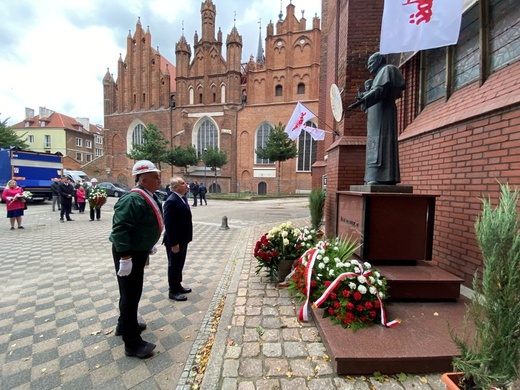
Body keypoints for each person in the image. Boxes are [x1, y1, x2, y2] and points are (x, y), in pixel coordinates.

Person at [109, 160, 163, 358]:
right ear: (144, 179)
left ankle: (124, 325)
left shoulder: (148, 195)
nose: (159, 180)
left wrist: (149, 241)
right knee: (130, 294)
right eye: (156, 178)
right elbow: (121, 229)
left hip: (137, 251)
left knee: (131, 292)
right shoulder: (133, 199)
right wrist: (125, 257)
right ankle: (132, 344)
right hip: (128, 253)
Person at [349, 52, 405, 185]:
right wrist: (363, 99)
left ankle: (383, 177)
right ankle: (373, 176)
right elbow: (374, 94)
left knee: (382, 143)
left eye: (370, 63)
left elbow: (380, 90)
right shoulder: (374, 80)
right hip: (375, 116)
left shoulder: (388, 69)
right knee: (374, 146)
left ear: (379, 60)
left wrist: (364, 99)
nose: (368, 67)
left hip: (384, 114)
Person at [164, 177, 193, 301]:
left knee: (179, 263)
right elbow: (169, 224)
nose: (186, 185)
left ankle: (178, 285)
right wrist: (174, 243)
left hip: (183, 239)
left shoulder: (181, 198)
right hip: (175, 240)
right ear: (175, 187)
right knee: (174, 265)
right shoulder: (171, 201)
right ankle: (173, 290)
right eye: (182, 183)